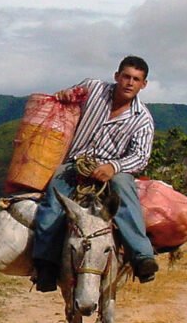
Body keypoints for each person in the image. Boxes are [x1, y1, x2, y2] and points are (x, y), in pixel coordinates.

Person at [32, 55, 159, 292]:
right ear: (117, 76)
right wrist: (66, 95)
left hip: (112, 170)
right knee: (55, 193)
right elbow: (70, 96)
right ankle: (45, 264)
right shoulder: (93, 89)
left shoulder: (142, 120)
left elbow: (141, 156)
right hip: (76, 163)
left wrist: (113, 167)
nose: (129, 83)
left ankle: (142, 257)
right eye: (126, 77)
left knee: (124, 188)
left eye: (136, 79)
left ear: (144, 84)